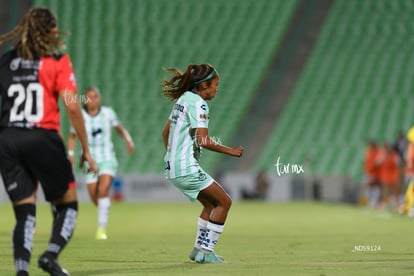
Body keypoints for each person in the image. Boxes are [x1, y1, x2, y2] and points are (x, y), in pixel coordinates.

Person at [0, 7, 97, 276]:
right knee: (67, 203)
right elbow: (73, 107)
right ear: (52, 31)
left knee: (25, 211)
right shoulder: (56, 61)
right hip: (42, 137)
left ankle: (21, 271)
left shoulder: (6, 61)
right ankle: (50, 255)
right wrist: (86, 150)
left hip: (8, 139)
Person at [161, 64, 243, 264]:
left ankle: (198, 250)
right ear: (204, 85)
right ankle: (206, 253)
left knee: (211, 204)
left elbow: (165, 133)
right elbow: (203, 140)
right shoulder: (198, 104)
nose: (217, 88)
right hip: (185, 168)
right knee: (224, 202)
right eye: (215, 84)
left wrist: (173, 156)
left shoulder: (183, 100)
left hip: (172, 167)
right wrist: (230, 151)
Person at [67, 86, 135, 240]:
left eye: (95, 96)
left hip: (107, 158)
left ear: (99, 98)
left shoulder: (107, 113)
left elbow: (120, 129)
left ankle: (101, 229)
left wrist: (128, 141)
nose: (92, 99)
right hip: (89, 159)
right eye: (89, 97)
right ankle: (104, 209)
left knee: (103, 190)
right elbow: (72, 136)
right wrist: (70, 154)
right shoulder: (80, 116)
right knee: (94, 197)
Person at [363, 140, 381, 208]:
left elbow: (378, 162)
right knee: (369, 187)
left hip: (375, 172)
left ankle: (374, 201)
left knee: (375, 186)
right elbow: (366, 162)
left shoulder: (378, 152)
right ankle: (370, 201)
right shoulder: (368, 152)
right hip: (369, 172)